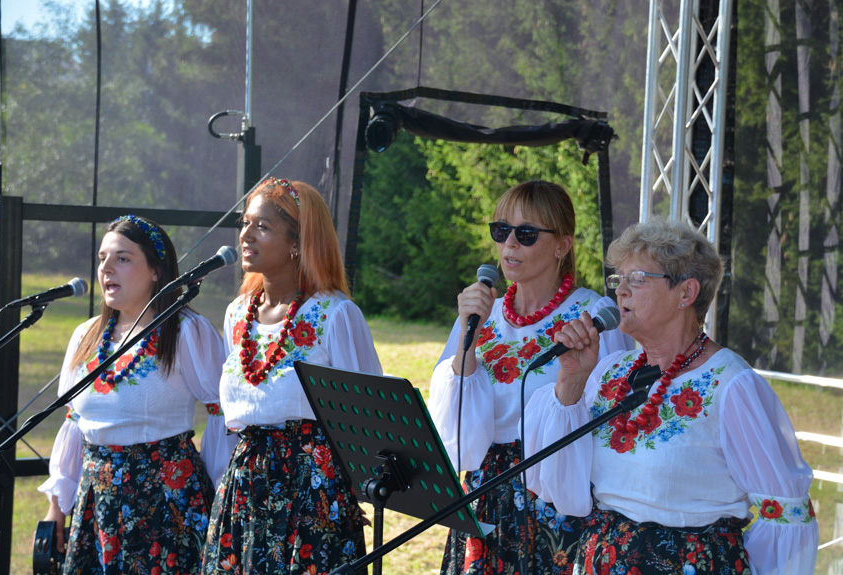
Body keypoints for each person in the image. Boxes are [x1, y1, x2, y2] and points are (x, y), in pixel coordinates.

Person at [522, 218, 818, 574]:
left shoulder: (731, 385)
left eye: (637, 279)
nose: (620, 292)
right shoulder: (610, 371)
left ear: (686, 293)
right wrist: (571, 382)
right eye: (619, 279)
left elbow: (784, 513)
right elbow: (557, 487)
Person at [429, 180, 633, 575]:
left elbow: (613, 421)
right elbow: (454, 431)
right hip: (484, 497)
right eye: (501, 231)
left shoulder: (594, 316)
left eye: (525, 234)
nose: (509, 245)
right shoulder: (480, 312)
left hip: (556, 496)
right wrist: (467, 337)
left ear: (562, 245)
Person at [200, 178, 383, 574]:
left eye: (262, 226)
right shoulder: (237, 314)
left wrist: (351, 490)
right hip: (245, 488)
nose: (246, 235)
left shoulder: (334, 314)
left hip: (312, 490)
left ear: (298, 243)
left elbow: (368, 416)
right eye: (245, 223)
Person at [38, 215, 235, 572]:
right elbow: (74, 424)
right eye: (102, 259)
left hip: (167, 505)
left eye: (123, 258)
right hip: (97, 506)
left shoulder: (185, 330)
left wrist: (221, 494)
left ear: (156, 272)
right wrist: (57, 506)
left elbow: (222, 411)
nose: (107, 268)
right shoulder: (87, 335)